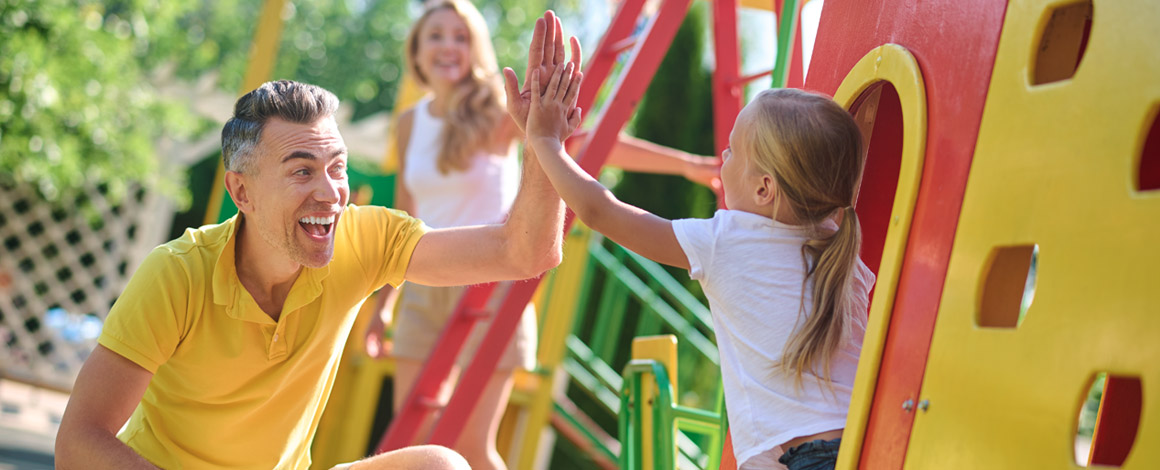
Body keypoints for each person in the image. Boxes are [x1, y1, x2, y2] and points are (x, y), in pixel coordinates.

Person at [53, 10, 581, 469]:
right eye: (301, 172)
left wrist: (543, 143)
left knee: (441, 463)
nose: (330, 191)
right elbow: (80, 443)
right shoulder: (177, 273)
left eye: (337, 167)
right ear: (242, 190)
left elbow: (527, 252)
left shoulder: (364, 239)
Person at [519, 82, 875, 470]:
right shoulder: (841, 254)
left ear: (764, 188)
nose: (724, 154)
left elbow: (600, 211)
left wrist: (544, 140)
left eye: (734, 150)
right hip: (867, 442)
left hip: (809, 460)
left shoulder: (727, 241)